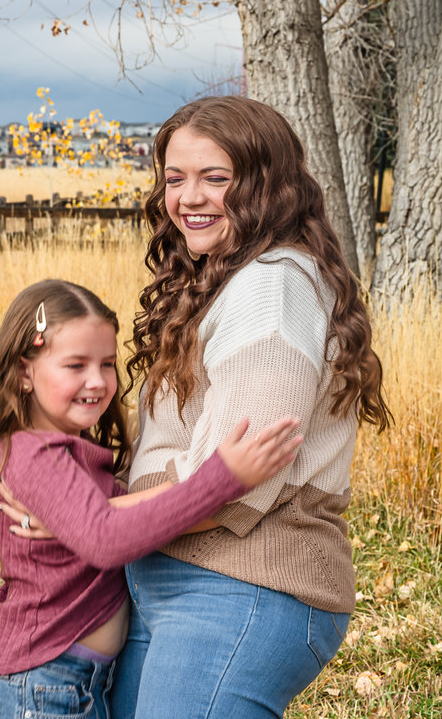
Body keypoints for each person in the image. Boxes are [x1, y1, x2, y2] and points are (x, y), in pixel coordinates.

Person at [104, 96, 391, 718]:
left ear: (266, 184)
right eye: (175, 178)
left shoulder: (271, 287)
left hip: (241, 585)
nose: (188, 198)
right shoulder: (232, 278)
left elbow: (230, 490)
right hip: (180, 580)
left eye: (216, 178)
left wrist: (92, 521)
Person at [0, 279, 302, 719]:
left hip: (67, 684)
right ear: (24, 372)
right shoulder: (34, 453)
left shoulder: (66, 452)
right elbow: (107, 538)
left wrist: (108, 509)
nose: (97, 381)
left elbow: (122, 510)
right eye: (75, 365)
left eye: (108, 363)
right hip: (38, 688)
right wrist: (221, 479)